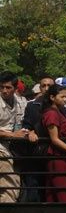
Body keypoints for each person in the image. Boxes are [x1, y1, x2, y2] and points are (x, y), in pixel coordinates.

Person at [21, 76, 56, 202]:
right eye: (43, 85)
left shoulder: (60, 106)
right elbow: (26, 125)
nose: (46, 88)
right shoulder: (31, 106)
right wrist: (30, 132)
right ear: (40, 87)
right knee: (34, 186)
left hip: (54, 152)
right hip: (35, 152)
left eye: (49, 86)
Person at [0, 71, 28, 202]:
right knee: (8, 184)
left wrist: (30, 131)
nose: (4, 90)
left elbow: (26, 122)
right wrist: (12, 135)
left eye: (8, 87)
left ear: (15, 88)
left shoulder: (21, 102)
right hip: (2, 149)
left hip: (14, 149)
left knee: (15, 183)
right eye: (1, 87)